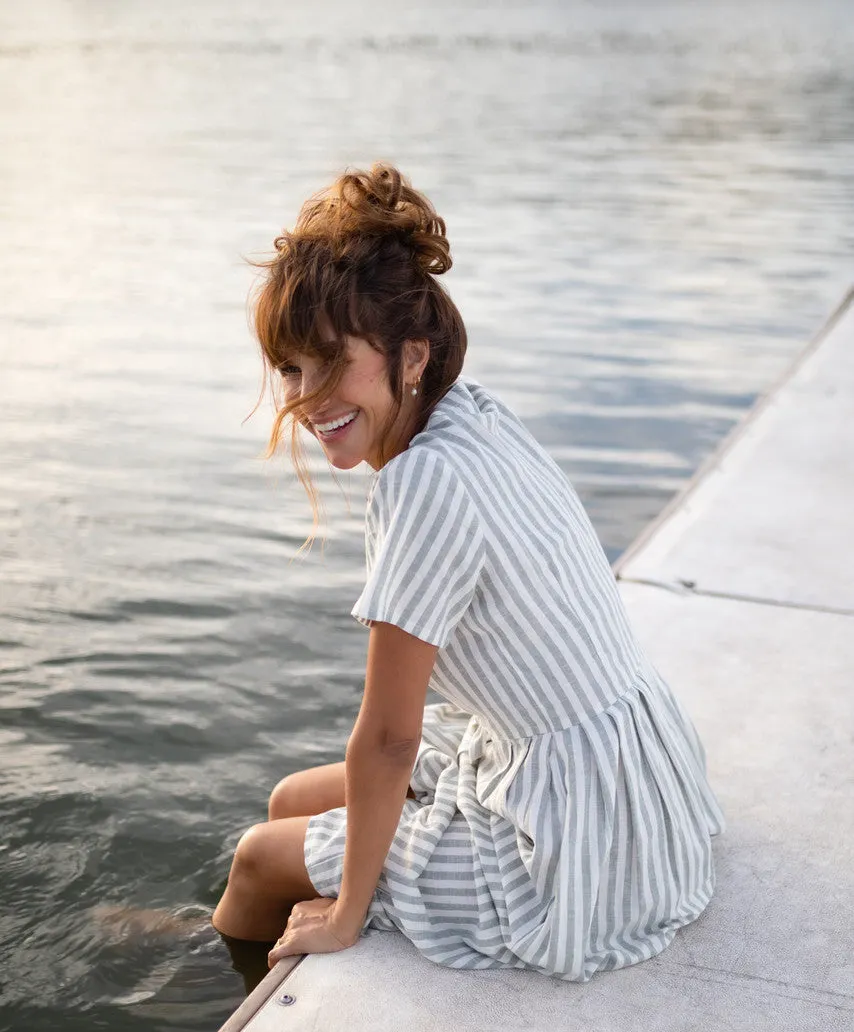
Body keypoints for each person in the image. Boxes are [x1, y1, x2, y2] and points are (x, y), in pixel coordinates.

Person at [211, 162, 725, 982]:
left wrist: (348, 915)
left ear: (410, 356)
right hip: (633, 773)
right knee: (290, 802)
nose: (305, 399)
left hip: (574, 848)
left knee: (256, 859)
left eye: (328, 364)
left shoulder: (422, 484)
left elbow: (387, 739)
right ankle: (243, 964)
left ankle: (192, 994)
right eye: (289, 367)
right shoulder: (473, 410)